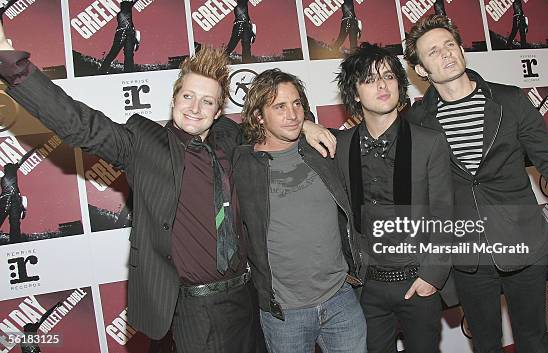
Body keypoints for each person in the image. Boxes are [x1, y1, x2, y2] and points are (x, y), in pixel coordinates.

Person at [0, 21, 333, 352]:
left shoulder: (231, 138)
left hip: (247, 302)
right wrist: (14, 67)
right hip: (192, 311)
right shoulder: (143, 144)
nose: (195, 107)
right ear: (174, 99)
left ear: (218, 111)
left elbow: (272, 122)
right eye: (188, 96)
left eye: (207, 101)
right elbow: (78, 124)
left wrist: (304, 124)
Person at [404, 14, 548, 353]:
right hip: (468, 254)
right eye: (433, 51)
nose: (447, 54)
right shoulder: (417, 121)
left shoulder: (508, 100)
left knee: (534, 341)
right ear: (420, 68)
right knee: (485, 344)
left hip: (523, 243)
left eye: (450, 44)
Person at [233, 68, 367, 353]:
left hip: (340, 298)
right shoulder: (243, 165)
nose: (292, 114)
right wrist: (307, 125)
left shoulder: (323, 149)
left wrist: (308, 126)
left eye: (296, 104)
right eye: (279, 106)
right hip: (284, 313)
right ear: (259, 116)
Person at [334, 42, 455, 353]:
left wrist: (432, 275)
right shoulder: (339, 145)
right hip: (366, 285)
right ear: (354, 93)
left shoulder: (430, 143)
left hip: (418, 281)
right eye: (370, 79)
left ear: (400, 86)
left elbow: (445, 215)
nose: (382, 85)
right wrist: (307, 125)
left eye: (388, 76)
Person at [0, 147, 37, 243]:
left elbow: (24, 158)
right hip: (12, 199)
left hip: (7, 199)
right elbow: (24, 158)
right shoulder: (11, 171)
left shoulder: (5, 177)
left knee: (14, 223)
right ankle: (15, 242)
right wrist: (34, 149)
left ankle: (15, 242)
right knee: (15, 224)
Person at [99, 0, 138, 74]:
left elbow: (132, 3)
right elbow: (132, 3)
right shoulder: (122, 13)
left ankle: (128, 72)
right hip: (123, 33)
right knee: (117, 53)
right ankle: (102, 70)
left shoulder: (123, 12)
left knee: (127, 54)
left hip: (127, 33)